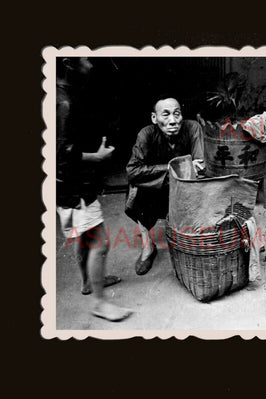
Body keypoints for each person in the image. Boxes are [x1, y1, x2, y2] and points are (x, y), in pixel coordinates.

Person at [56, 57, 132, 322]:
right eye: (85, 59)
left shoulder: (58, 94)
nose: (89, 64)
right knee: (99, 244)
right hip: (75, 189)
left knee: (83, 236)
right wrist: (96, 157)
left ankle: (88, 282)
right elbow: (62, 154)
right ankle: (100, 303)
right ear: (69, 63)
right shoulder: (64, 102)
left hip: (64, 189)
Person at [125, 96, 205, 275]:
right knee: (136, 191)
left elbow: (199, 166)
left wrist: (181, 171)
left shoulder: (193, 127)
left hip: (184, 185)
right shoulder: (146, 134)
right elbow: (132, 170)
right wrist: (172, 167)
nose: (173, 121)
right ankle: (148, 246)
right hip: (154, 187)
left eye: (177, 114)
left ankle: (189, 242)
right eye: (166, 115)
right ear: (155, 118)